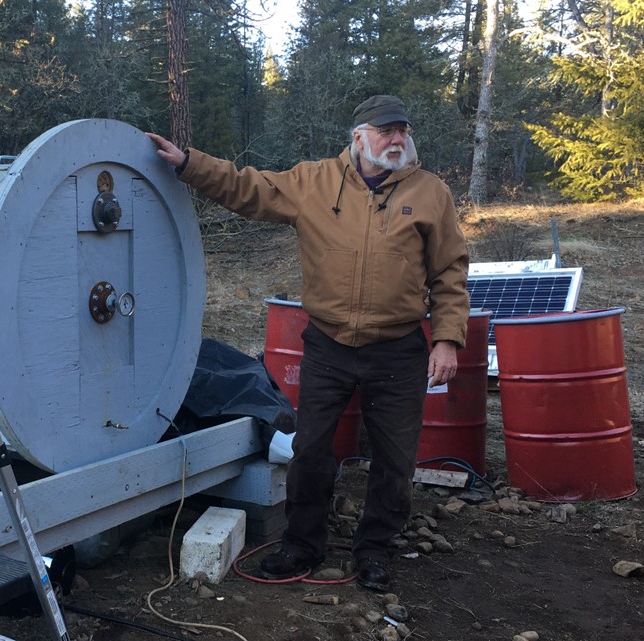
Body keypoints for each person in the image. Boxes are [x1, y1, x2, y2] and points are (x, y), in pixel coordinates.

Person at [147, 95, 469, 592]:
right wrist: (190, 165)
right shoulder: (314, 182)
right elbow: (246, 187)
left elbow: (450, 271)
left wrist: (447, 338)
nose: (397, 139)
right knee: (311, 449)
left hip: (399, 347)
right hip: (329, 344)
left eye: (402, 130)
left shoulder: (430, 193)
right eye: (386, 131)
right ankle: (302, 543)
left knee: (396, 457)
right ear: (359, 136)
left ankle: (375, 549)